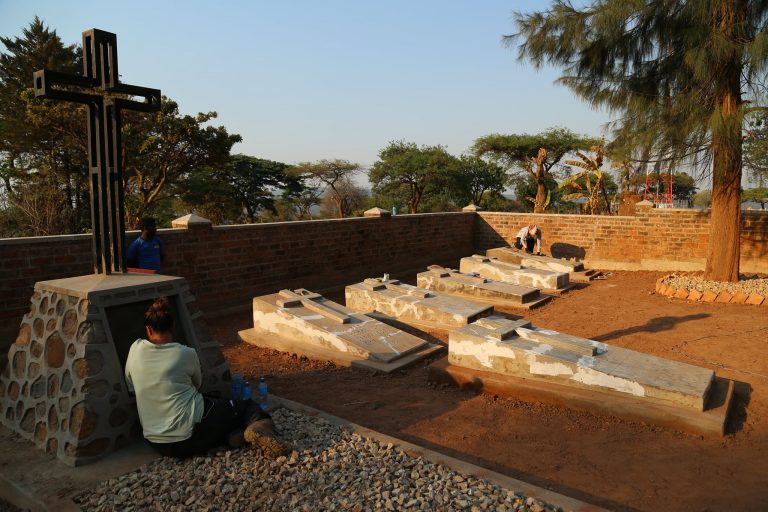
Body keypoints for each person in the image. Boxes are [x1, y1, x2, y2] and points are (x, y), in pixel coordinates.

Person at [125, 297, 286, 458]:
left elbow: (131, 385)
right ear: (173, 326)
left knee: (215, 411)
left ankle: (232, 437)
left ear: (148, 330)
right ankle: (258, 426)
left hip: (158, 444)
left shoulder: (135, 349)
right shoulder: (185, 353)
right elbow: (197, 384)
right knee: (244, 406)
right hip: (192, 434)